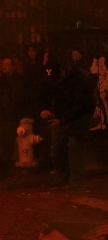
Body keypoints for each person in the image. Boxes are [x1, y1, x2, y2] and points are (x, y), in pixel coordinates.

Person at [42, 51, 95, 187]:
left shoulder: (77, 80)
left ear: (63, 72)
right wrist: (43, 110)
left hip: (81, 115)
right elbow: (43, 96)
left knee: (74, 145)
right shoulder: (52, 80)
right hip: (63, 115)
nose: (54, 82)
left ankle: (76, 180)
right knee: (56, 147)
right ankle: (62, 177)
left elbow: (80, 106)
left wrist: (61, 121)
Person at [0, 57, 26, 173]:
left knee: (9, 141)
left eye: (7, 64)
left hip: (13, 114)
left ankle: (6, 167)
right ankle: (4, 167)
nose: (4, 66)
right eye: (3, 64)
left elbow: (18, 97)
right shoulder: (1, 81)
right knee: (3, 141)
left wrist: (10, 108)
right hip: (4, 115)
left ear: (13, 66)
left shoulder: (18, 80)